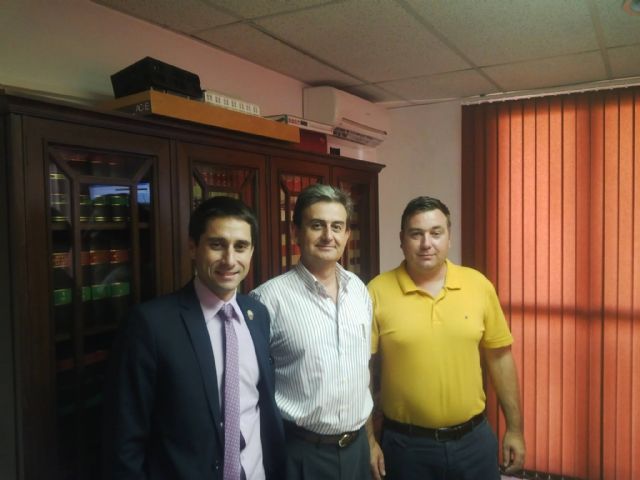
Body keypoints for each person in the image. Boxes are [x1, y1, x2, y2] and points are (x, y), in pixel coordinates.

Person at [102, 196, 285, 480]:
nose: (230, 260)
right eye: (217, 245)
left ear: (251, 252)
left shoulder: (257, 314)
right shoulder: (151, 324)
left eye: (240, 246)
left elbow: (260, 409)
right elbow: (125, 438)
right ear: (192, 247)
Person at [367, 196, 525, 480]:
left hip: (473, 443)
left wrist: (515, 429)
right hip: (406, 448)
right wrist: (369, 441)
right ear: (402, 240)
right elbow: (360, 371)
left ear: (449, 238)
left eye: (436, 233)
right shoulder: (376, 291)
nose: (426, 243)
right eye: (416, 234)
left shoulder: (478, 285)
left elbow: (500, 358)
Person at [250, 183, 373, 480]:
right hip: (300, 452)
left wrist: (370, 440)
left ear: (347, 234)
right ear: (296, 233)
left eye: (337, 226)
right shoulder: (267, 300)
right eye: (317, 225)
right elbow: (252, 389)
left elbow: (362, 374)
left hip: (357, 449)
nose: (328, 235)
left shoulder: (359, 290)